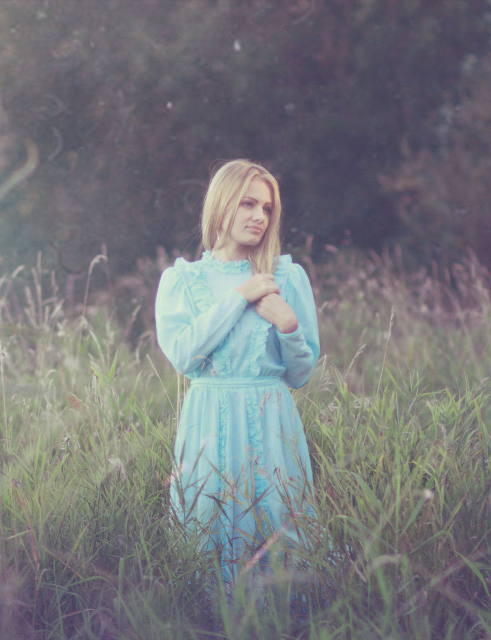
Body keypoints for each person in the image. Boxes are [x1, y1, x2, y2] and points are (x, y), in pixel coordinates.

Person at [155, 159, 321, 600]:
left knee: (278, 522)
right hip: (208, 421)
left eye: (266, 208)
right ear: (221, 204)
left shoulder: (286, 277)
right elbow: (184, 355)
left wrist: (288, 326)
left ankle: (287, 618)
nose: (258, 217)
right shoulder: (182, 280)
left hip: (272, 419)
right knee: (208, 522)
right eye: (247, 203)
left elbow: (301, 375)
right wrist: (237, 298)